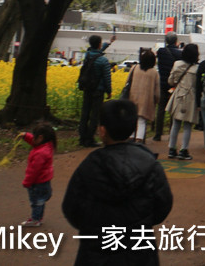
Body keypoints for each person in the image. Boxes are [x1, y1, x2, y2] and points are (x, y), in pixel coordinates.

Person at [62, 99, 173, 265]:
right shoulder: (150, 165)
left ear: (102, 130)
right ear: (133, 128)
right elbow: (163, 205)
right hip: (140, 253)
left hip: (95, 253)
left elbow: (71, 208)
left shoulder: (89, 166)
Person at [166, 43, 199, 160]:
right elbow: (198, 85)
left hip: (179, 96)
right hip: (191, 97)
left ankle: (171, 148)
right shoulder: (197, 68)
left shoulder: (177, 64)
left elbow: (170, 81)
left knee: (175, 124)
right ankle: (183, 150)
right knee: (187, 125)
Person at [78, 35, 112, 148]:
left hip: (87, 88)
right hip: (98, 90)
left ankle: (82, 138)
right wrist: (109, 91)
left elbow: (97, 51)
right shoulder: (103, 60)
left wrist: (108, 43)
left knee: (85, 113)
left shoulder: (87, 55)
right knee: (95, 116)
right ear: (99, 44)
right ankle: (89, 139)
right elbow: (107, 77)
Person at [20, 122, 56, 227]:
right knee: (40, 200)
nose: (33, 138)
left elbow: (33, 171)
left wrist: (27, 182)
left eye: (34, 135)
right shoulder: (47, 145)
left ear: (40, 137)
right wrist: (26, 136)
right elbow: (35, 141)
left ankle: (35, 219)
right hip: (44, 181)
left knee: (36, 202)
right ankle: (40, 213)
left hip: (37, 182)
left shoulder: (40, 153)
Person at [153, 32, 182, 141]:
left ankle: (157, 134)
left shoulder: (161, 52)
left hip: (162, 84)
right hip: (173, 85)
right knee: (173, 110)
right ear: (176, 41)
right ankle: (171, 133)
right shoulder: (179, 54)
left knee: (161, 109)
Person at [128, 49, 160, 144]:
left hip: (132, 98)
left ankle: (130, 138)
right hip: (146, 101)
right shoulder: (154, 72)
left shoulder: (135, 68)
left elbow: (127, 82)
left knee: (133, 119)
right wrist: (156, 100)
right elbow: (157, 91)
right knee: (141, 121)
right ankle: (139, 141)